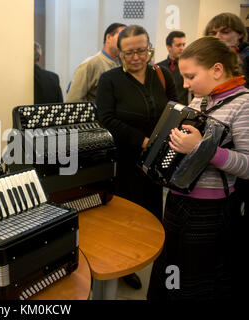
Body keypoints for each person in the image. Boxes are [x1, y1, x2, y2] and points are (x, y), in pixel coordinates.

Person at [147, 36, 249, 300]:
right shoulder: (198, 101)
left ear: (217, 69)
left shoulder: (243, 104)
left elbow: (247, 165)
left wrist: (203, 148)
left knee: (197, 278)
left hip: (210, 211)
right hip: (177, 201)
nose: (185, 85)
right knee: (170, 266)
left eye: (191, 76)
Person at [96, 25, 178, 290]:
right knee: (125, 215)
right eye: (128, 53)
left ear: (149, 47)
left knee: (152, 210)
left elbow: (174, 108)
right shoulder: (110, 80)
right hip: (126, 159)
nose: (135, 57)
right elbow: (105, 118)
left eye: (141, 51)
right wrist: (142, 140)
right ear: (119, 52)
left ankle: (145, 256)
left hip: (156, 159)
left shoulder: (161, 74)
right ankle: (122, 264)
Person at [66, 23, 126, 102]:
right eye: (122, 37)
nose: (125, 41)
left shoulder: (124, 64)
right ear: (108, 37)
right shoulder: (90, 64)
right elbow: (73, 100)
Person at [204, 12, 249, 85]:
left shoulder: (246, 56)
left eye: (225, 32)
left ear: (240, 34)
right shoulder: (208, 58)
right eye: (212, 33)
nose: (217, 37)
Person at [157, 31, 190, 105]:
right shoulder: (158, 68)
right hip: (163, 110)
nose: (182, 48)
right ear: (168, 47)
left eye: (183, 45)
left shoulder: (189, 67)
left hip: (183, 110)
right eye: (178, 45)